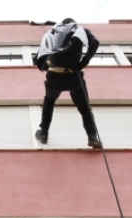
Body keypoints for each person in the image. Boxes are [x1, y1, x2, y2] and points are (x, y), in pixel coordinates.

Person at [34, 19, 101, 148]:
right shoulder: (80, 30)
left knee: (49, 101)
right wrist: (83, 62)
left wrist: (47, 66)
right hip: (73, 75)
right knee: (84, 108)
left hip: (54, 74)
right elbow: (95, 42)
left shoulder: (52, 33)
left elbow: (40, 55)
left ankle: (43, 133)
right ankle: (92, 137)